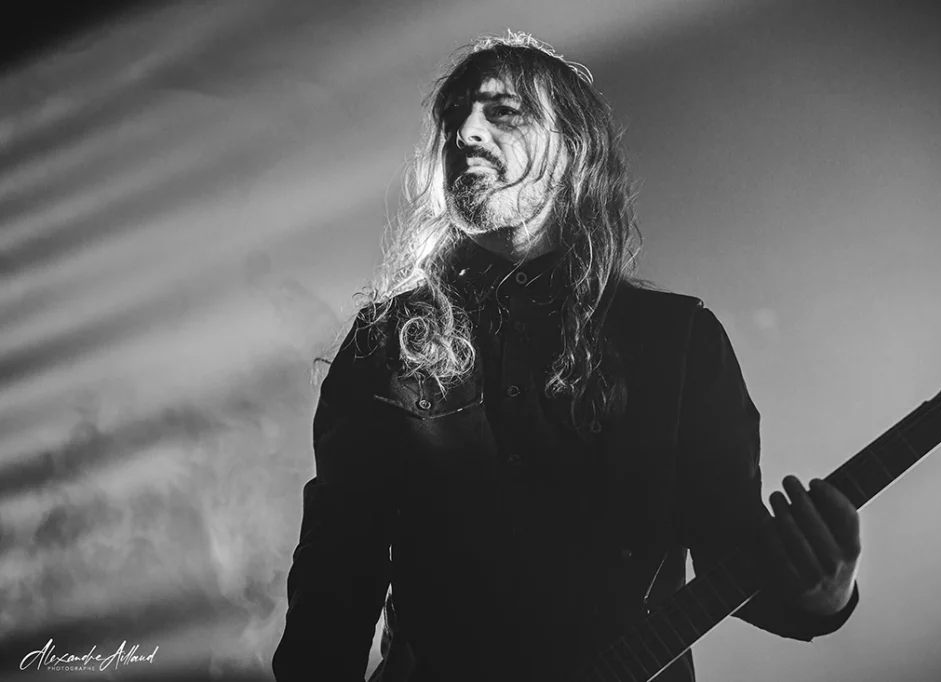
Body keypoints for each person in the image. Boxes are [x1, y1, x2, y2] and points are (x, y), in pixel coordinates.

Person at [272, 30, 861, 682]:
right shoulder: (386, 341)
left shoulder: (678, 342)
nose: (464, 132)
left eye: (503, 112)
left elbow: (731, 557)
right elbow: (335, 573)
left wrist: (823, 593)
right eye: (453, 118)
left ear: (573, 148)